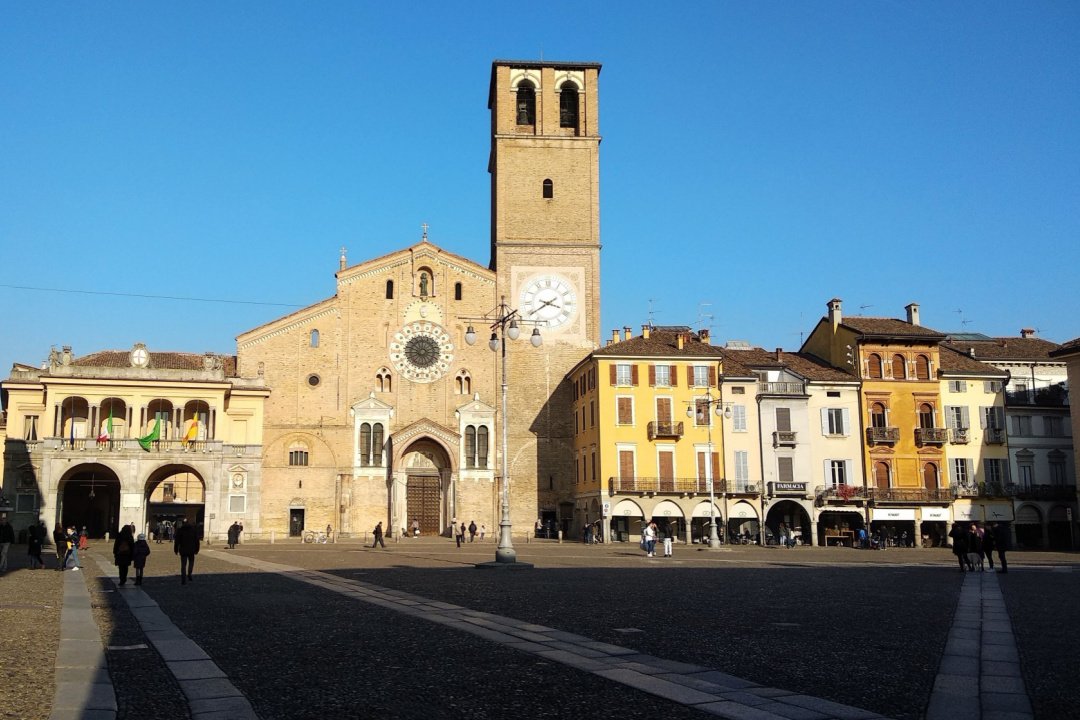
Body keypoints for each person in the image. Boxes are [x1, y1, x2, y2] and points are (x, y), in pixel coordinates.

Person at [174, 518, 200, 585]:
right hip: (191, 549)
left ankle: (183, 579)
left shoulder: (180, 530)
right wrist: (197, 549)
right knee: (191, 562)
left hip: (183, 550)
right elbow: (197, 540)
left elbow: (177, 541)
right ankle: (189, 573)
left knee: (183, 565)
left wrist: (176, 550)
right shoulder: (193, 530)